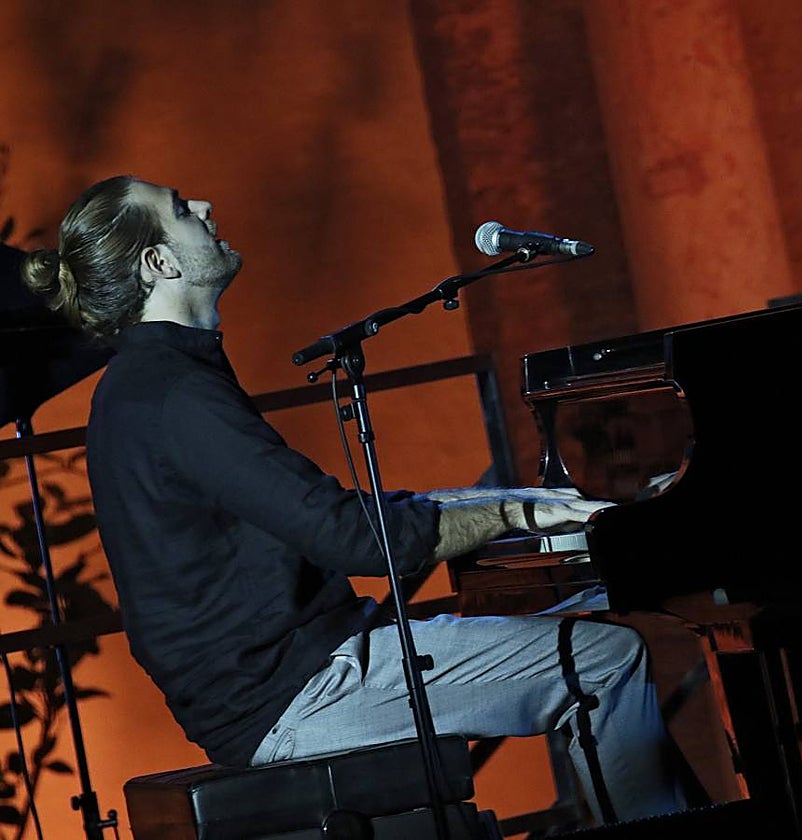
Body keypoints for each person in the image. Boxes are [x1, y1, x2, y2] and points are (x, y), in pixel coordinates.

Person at [21, 175, 693, 825]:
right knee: (606, 661)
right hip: (296, 694)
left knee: (585, 630)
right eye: (178, 208)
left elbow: (325, 514)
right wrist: (514, 515)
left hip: (284, 679)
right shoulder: (175, 394)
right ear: (160, 263)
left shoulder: (150, 383)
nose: (202, 204)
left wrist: (517, 500)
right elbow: (359, 542)